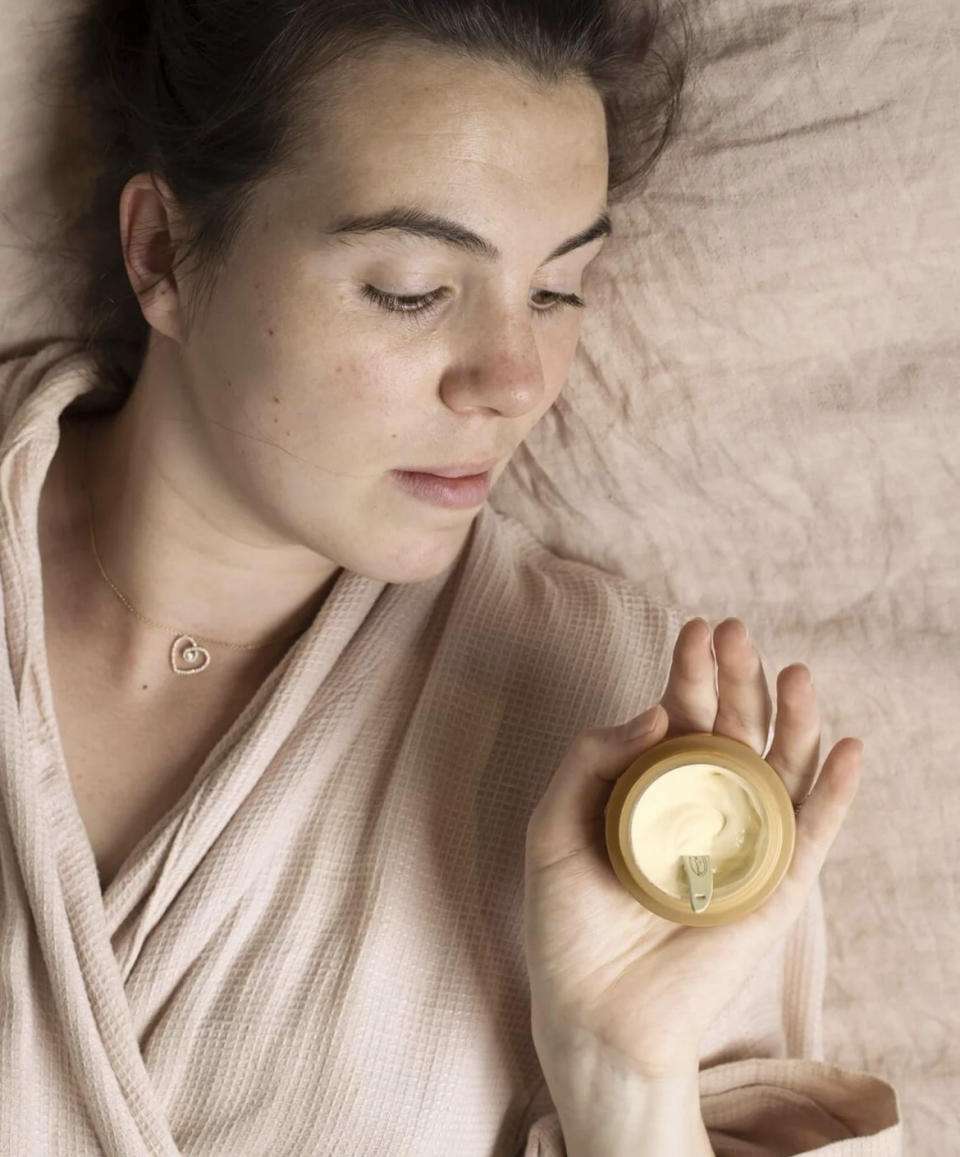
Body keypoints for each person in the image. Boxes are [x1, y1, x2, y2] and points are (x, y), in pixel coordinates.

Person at [0, 2, 901, 1153]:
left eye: (557, 290)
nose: (515, 379)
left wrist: (624, 1080)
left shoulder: (632, 742)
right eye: (414, 289)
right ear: (164, 252)